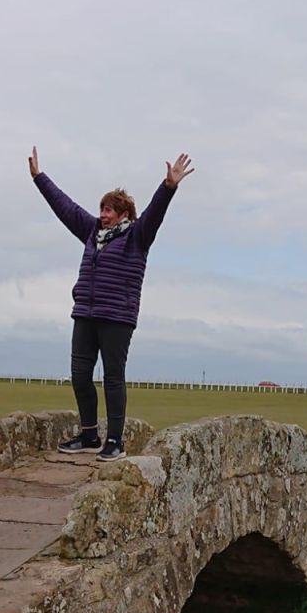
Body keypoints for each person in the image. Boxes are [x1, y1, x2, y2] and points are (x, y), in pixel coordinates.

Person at [29, 146, 194, 461]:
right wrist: (40, 178)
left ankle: (115, 441)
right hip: (85, 314)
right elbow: (65, 207)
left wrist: (168, 187)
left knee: (113, 378)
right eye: (101, 209)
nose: (102, 215)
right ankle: (89, 435)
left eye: (108, 211)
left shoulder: (137, 237)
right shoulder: (92, 232)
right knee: (80, 374)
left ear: (123, 215)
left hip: (117, 317)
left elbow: (154, 213)